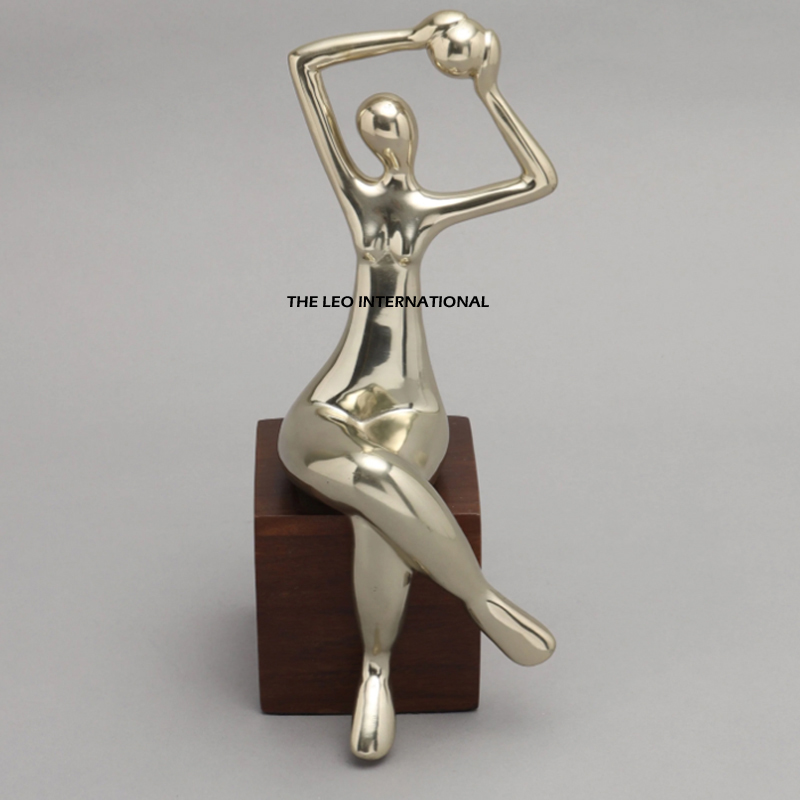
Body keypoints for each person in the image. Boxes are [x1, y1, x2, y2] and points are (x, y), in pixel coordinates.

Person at [278, 11, 558, 760]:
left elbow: (539, 179)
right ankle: (479, 597)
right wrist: (408, 38)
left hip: (412, 405)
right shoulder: (358, 197)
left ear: (414, 135)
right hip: (334, 398)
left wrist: (488, 90)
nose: (385, 133)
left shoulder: (426, 211)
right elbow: (305, 64)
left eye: (394, 121)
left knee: (377, 502)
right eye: (374, 125)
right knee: (374, 488)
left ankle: (376, 673)